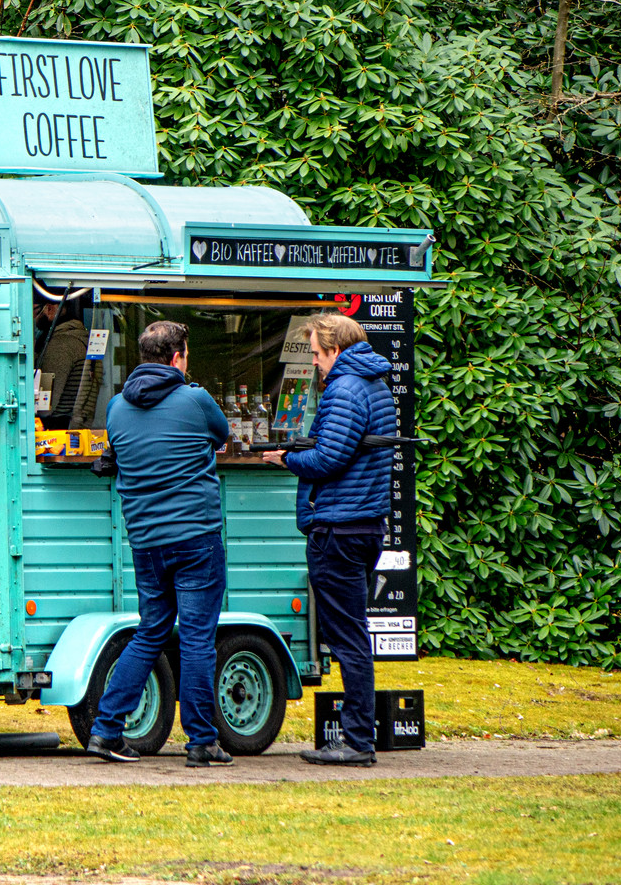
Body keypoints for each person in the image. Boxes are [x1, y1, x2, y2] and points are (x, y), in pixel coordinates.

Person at [86, 320, 234, 767]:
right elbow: (222, 435)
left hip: (146, 541)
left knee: (151, 631)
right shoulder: (196, 399)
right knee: (195, 639)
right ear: (177, 358)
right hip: (196, 539)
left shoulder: (116, 408)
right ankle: (202, 741)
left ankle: (105, 730)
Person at [262, 313, 395, 767]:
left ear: (335, 349)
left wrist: (287, 458)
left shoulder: (345, 386)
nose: (316, 362)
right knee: (352, 634)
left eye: (318, 353)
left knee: (347, 638)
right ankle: (359, 736)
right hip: (364, 524)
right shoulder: (375, 382)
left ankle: (357, 741)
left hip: (338, 527)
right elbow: (349, 448)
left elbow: (330, 458)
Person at [33, 298, 89, 413]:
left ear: (49, 309)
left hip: (56, 425)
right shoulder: (77, 337)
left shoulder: (60, 345)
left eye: (32, 311)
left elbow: (45, 407)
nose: (33, 318)